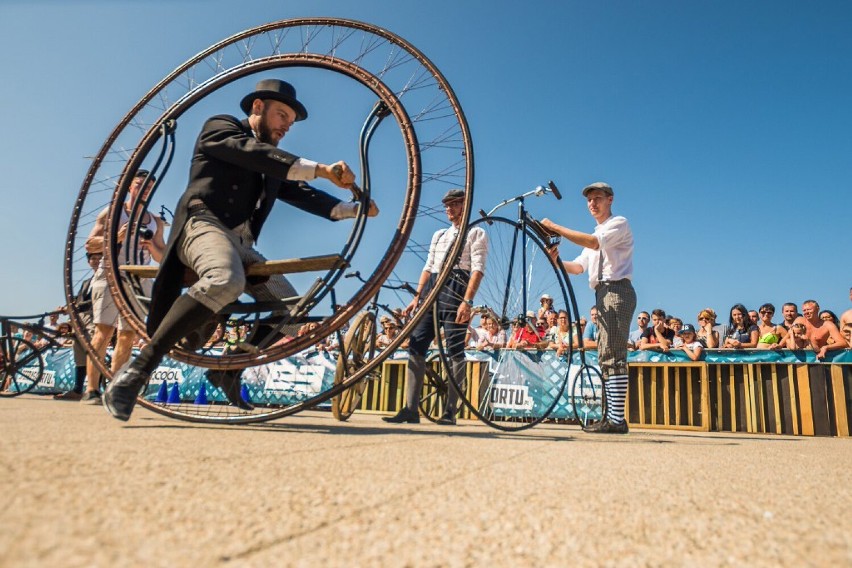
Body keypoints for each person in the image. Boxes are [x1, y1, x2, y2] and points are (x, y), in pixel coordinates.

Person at [105, 78, 378, 421]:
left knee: (292, 314)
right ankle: (136, 372)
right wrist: (321, 170)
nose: (285, 127)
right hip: (204, 224)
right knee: (224, 279)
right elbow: (251, 153)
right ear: (258, 107)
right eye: (281, 116)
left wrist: (355, 208)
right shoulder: (221, 128)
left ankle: (229, 370)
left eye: (289, 124)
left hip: (244, 245)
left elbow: (302, 193)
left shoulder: (273, 166)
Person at [382, 189, 486, 426]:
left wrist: (467, 301)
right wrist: (417, 297)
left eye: (454, 204)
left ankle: (450, 410)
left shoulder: (475, 232)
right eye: (446, 205)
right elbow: (428, 267)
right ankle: (410, 408)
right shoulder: (439, 234)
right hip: (433, 287)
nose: (449, 209)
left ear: (464, 205)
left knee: (455, 350)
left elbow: (478, 269)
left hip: (456, 287)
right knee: (417, 344)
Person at [542, 181, 636, 434]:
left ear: (610, 200)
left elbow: (595, 243)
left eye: (597, 198)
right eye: (589, 200)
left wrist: (554, 227)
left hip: (616, 290)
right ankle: (613, 417)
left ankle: (617, 420)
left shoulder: (618, 224)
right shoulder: (594, 236)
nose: (592, 204)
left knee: (614, 354)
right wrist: (557, 261)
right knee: (607, 354)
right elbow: (578, 267)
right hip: (603, 293)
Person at [84, 170, 166, 405]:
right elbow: (90, 244)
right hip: (111, 274)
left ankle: (114, 387)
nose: (144, 190)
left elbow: (162, 256)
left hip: (140, 278)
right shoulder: (112, 213)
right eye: (140, 185)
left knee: (127, 335)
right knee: (103, 331)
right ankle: (91, 389)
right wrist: (116, 238)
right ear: (129, 186)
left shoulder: (155, 221)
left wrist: (151, 246)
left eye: (149, 187)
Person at [54, 252, 102, 401]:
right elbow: (79, 299)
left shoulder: (105, 279)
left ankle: (96, 390)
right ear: (88, 262)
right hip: (80, 319)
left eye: (99, 258)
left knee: (93, 351)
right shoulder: (87, 282)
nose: (95, 261)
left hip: (94, 317)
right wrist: (68, 307)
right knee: (79, 355)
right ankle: (77, 389)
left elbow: (99, 299)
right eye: (93, 258)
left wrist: (76, 307)